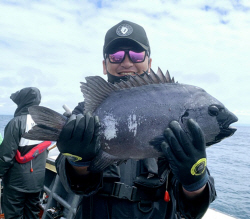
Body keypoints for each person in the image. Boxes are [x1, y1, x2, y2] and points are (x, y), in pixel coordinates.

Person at [55, 20, 217, 219]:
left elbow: (193, 210)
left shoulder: (173, 107)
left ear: (149, 62)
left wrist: (195, 179)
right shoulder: (86, 111)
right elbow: (72, 183)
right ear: (105, 65)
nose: (126, 62)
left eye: (136, 54)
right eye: (115, 56)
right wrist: (78, 161)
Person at [0, 87, 50, 219]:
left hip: (16, 183)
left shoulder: (16, 122)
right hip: (37, 183)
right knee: (32, 214)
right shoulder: (44, 123)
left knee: (14, 215)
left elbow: (6, 156)